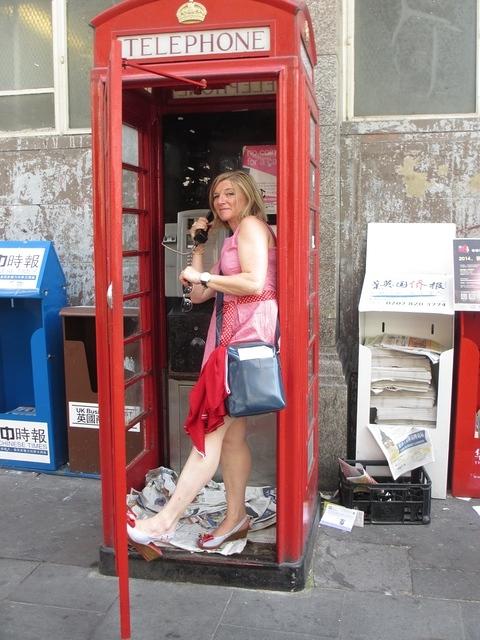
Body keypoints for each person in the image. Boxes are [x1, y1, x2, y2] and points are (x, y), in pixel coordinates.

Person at [127, 170, 278, 559]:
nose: (222, 200)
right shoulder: (230, 234)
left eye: (230, 192)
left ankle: (164, 521)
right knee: (231, 436)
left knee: (208, 432)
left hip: (242, 338)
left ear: (247, 196)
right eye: (216, 195)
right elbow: (197, 295)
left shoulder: (250, 227)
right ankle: (236, 516)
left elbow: (256, 282)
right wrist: (198, 247)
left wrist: (207, 274)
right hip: (231, 335)